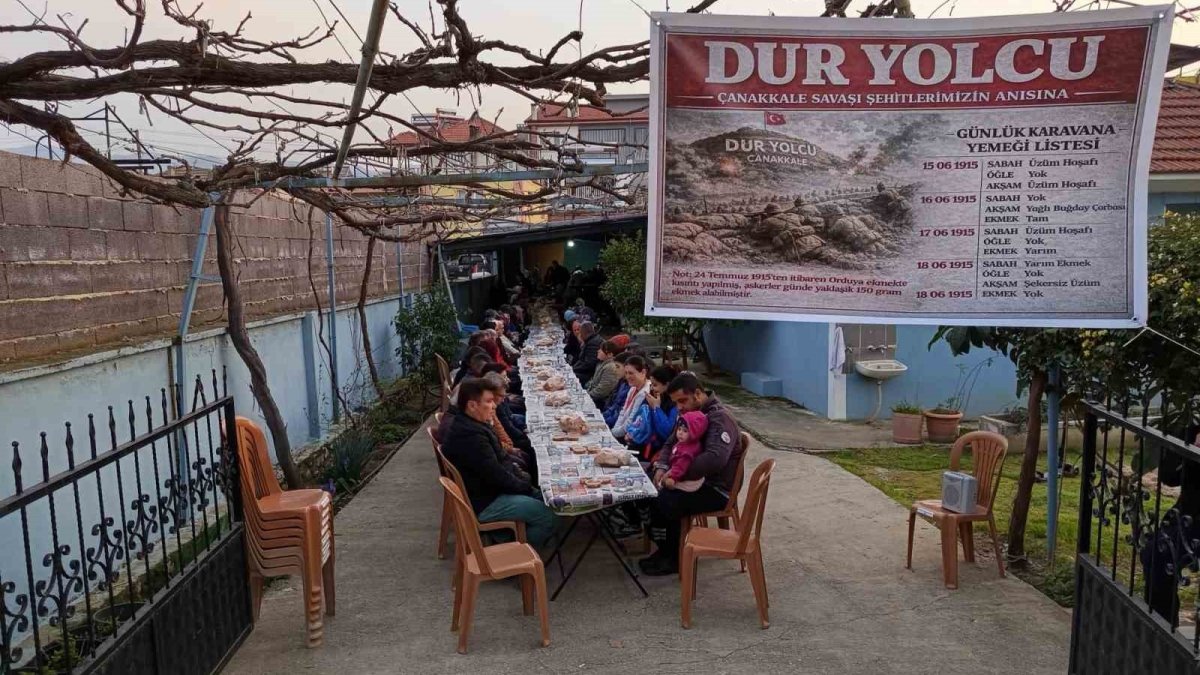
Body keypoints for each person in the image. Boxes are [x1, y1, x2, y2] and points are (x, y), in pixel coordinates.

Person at [638, 372, 743, 576]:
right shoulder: (689, 413)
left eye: (682, 400)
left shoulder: (719, 418)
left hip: (716, 488)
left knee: (666, 499)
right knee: (647, 485)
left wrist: (676, 474)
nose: (679, 407)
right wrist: (662, 466)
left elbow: (714, 459)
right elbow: (670, 442)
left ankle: (673, 557)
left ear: (697, 394)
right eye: (676, 402)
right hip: (692, 480)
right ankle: (664, 547)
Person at [441, 378, 557, 547]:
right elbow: (497, 475)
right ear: (472, 405)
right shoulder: (470, 436)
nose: (494, 405)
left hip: (491, 491)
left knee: (550, 499)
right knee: (549, 515)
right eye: (489, 401)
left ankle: (509, 537)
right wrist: (524, 485)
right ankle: (515, 553)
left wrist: (523, 480)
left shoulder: (473, 424)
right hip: (486, 501)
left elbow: (501, 462)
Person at [1141, 424, 1200, 625]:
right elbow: (1169, 477)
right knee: (1155, 556)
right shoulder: (1191, 427)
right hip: (1189, 515)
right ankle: (1161, 631)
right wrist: (1190, 448)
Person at [658, 411, 709, 492]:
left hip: (684, 482)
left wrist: (672, 477)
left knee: (662, 490)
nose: (680, 433)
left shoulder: (688, 451)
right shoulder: (684, 442)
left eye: (685, 431)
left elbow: (681, 466)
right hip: (676, 469)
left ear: (695, 432)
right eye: (679, 429)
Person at [612, 355, 651, 441]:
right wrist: (614, 430)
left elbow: (631, 420)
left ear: (643, 372)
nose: (627, 377)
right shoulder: (633, 389)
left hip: (632, 437)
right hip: (621, 432)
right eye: (626, 373)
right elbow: (623, 413)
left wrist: (613, 434)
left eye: (631, 373)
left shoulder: (645, 393)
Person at [645, 365, 680, 455]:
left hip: (663, 449)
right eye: (651, 385)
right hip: (650, 444)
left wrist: (656, 408)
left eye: (655, 385)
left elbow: (667, 432)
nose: (652, 388)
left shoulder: (675, 404)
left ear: (667, 385)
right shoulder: (658, 397)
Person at [586, 340, 623, 407]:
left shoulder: (610, 368)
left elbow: (602, 390)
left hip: (599, 401)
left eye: (601, 350)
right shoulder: (601, 363)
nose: (598, 351)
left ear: (610, 354)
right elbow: (593, 382)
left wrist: (586, 395)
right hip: (593, 395)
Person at [602, 352, 633, 428]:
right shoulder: (622, 382)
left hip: (616, 425)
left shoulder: (630, 388)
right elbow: (613, 406)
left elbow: (619, 413)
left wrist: (604, 422)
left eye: (617, 367)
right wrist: (602, 416)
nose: (615, 370)